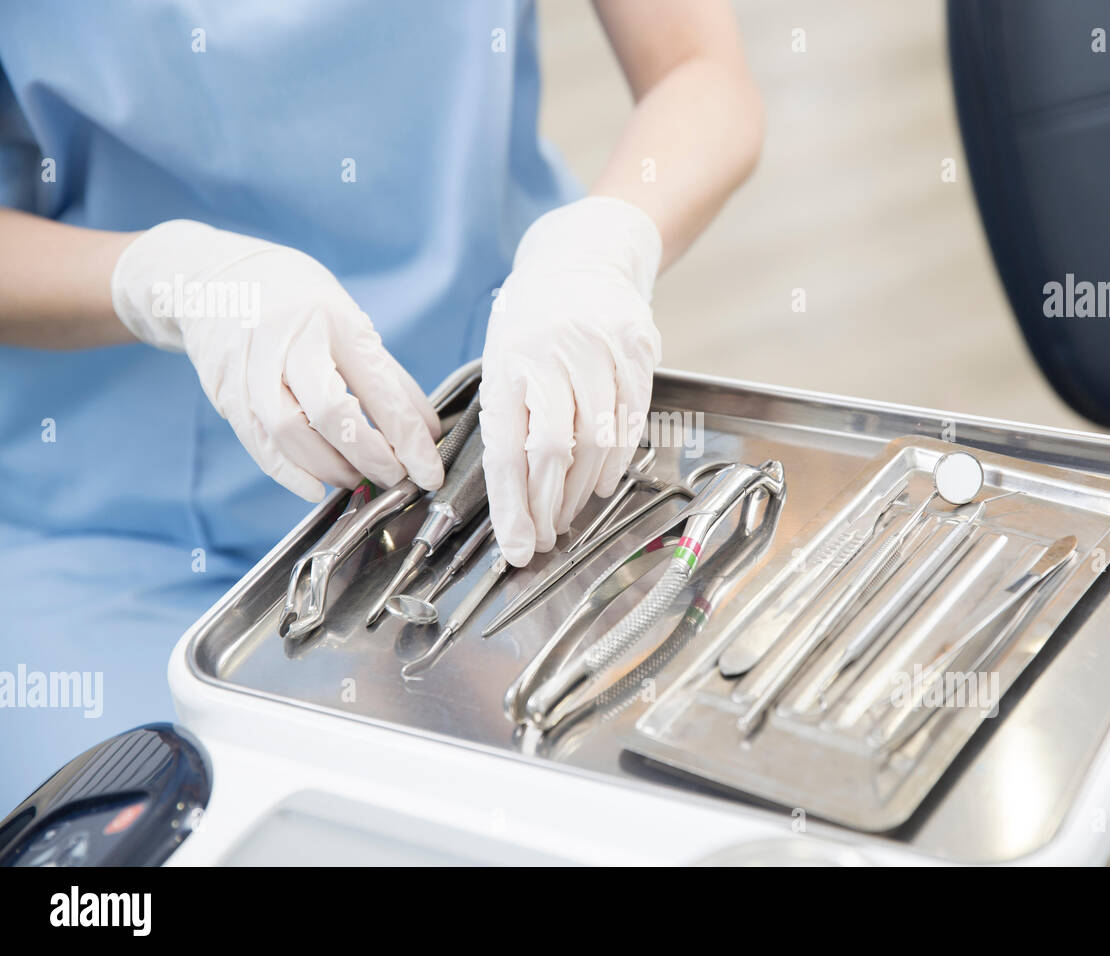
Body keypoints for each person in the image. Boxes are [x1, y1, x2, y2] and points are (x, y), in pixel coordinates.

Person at [0, 0, 763, 810]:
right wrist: (157, 277)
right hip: (109, 523)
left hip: (501, 467)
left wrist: (607, 241)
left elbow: (699, 74)